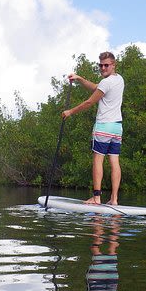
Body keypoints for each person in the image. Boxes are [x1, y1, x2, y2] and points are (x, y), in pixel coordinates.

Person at [62, 52, 125, 205]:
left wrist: (70, 112)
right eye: (100, 65)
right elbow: (95, 87)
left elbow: (90, 102)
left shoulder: (106, 83)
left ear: (113, 65)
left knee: (98, 160)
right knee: (114, 161)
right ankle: (114, 199)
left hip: (103, 127)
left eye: (106, 65)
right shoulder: (119, 79)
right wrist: (79, 79)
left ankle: (96, 198)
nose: (103, 68)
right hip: (117, 128)